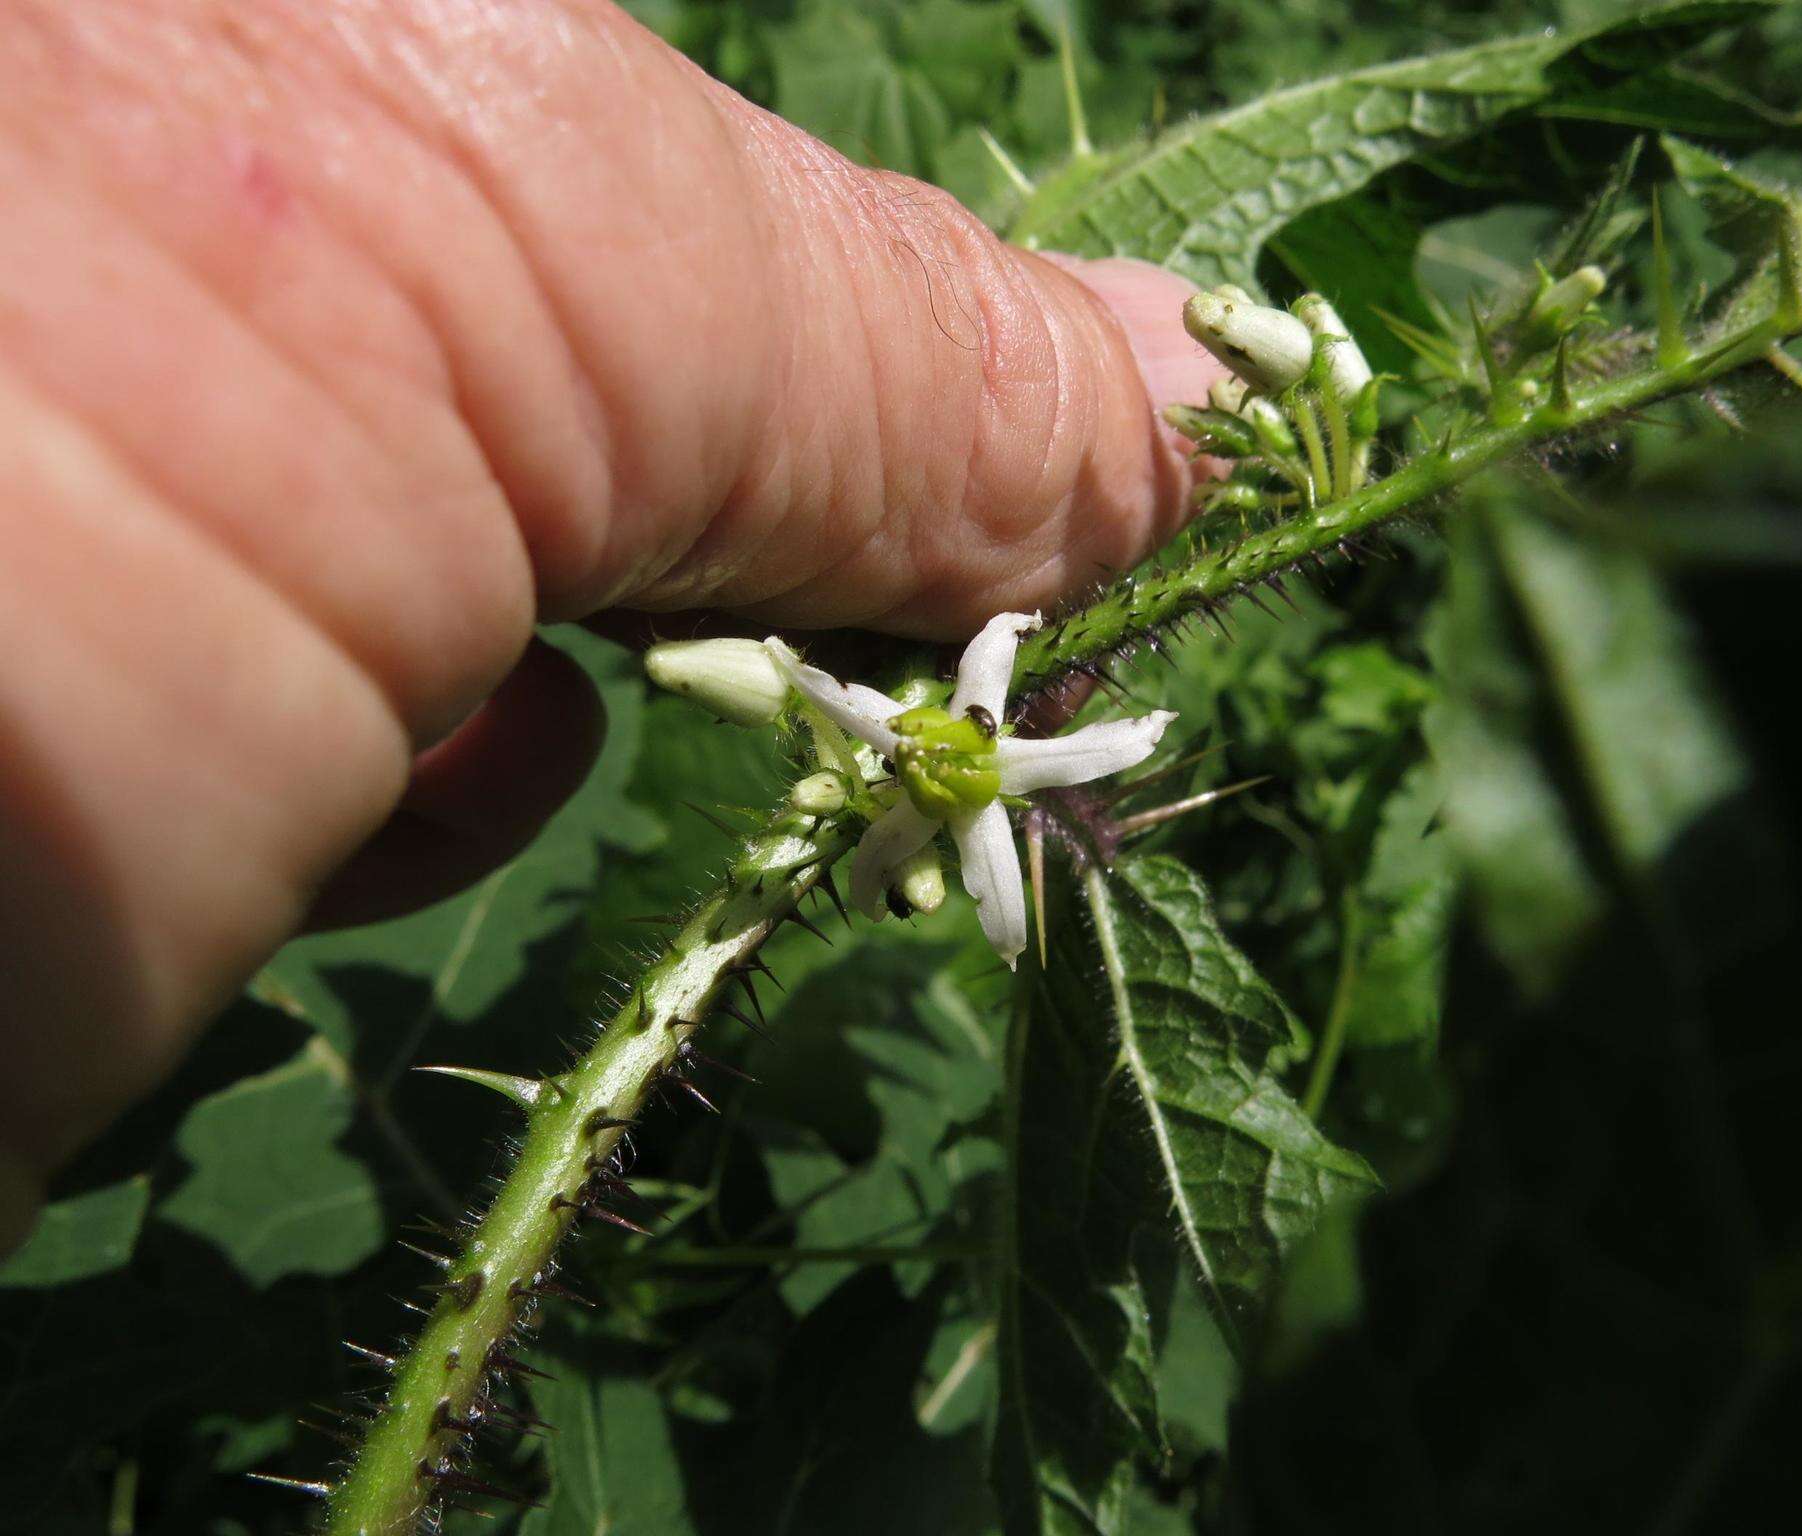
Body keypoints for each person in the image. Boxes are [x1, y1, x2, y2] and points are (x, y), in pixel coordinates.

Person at [0, 0, 1221, 1253]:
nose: (942, 756)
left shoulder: (930, 761)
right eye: (943, 760)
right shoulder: (915, 741)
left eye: (943, 762)